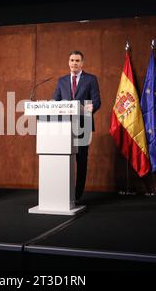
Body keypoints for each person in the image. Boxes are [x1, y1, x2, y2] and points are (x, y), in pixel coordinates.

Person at [53, 51, 101, 201]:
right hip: (64, 126)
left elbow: (97, 101)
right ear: (68, 62)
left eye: (77, 60)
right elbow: (55, 101)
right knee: (64, 157)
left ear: (82, 63)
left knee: (81, 159)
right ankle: (64, 191)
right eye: (72, 60)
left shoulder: (91, 79)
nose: (74, 63)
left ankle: (77, 194)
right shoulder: (61, 81)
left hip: (83, 124)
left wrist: (90, 108)